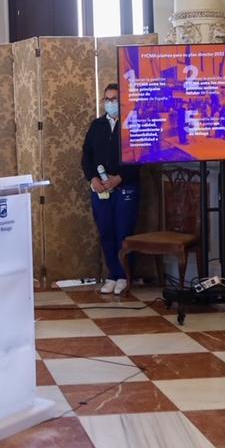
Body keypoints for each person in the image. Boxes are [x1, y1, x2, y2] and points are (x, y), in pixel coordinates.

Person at [81, 83, 140, 295]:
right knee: (106, 231)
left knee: (123, 232)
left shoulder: (132, 125)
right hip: (100, 189)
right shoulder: (96, 126)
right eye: (107, 99)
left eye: (114, 99)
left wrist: (119, 178)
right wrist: (93, 179)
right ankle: (112, 274)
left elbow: (139, 157)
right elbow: (86, 156)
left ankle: (124, 275)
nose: (110, 103)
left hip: (125, 188)